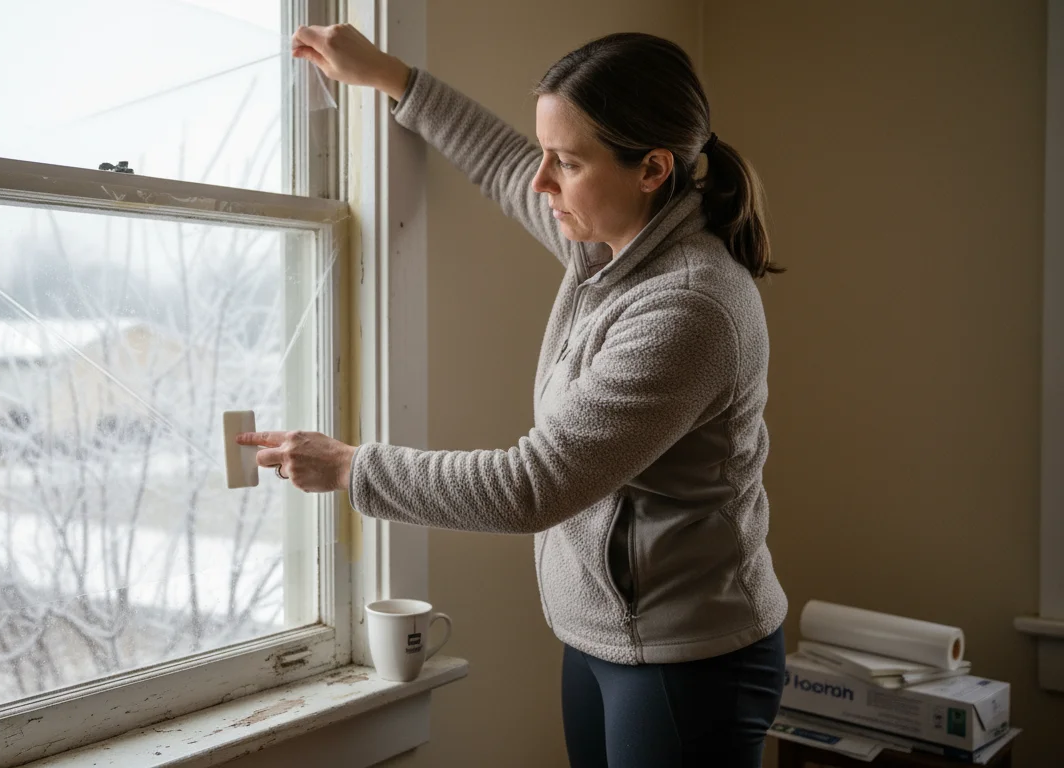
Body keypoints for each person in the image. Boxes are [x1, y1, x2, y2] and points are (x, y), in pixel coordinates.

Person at [237, 24, 788, 768]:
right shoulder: (610, 241)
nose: (542, 181)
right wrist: (392, 77)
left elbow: (532, 487)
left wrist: (349, 468)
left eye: (565, 162)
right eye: (546, 153)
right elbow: (503, 167)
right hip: (603, 638)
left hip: (685, 660)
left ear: (653, 168)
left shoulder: (688, 308)